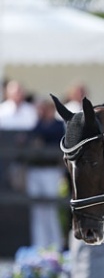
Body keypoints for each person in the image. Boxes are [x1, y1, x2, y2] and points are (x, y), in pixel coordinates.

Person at [24, 98, 66, 249]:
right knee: (37, 210)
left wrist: (41, 142)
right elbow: (29, 140)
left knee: (51, 209)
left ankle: (55, 245)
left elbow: (55, 141)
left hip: (50, 170)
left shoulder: (57, 125)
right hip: (35, 170)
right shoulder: (36, 124)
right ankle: (39, 245)